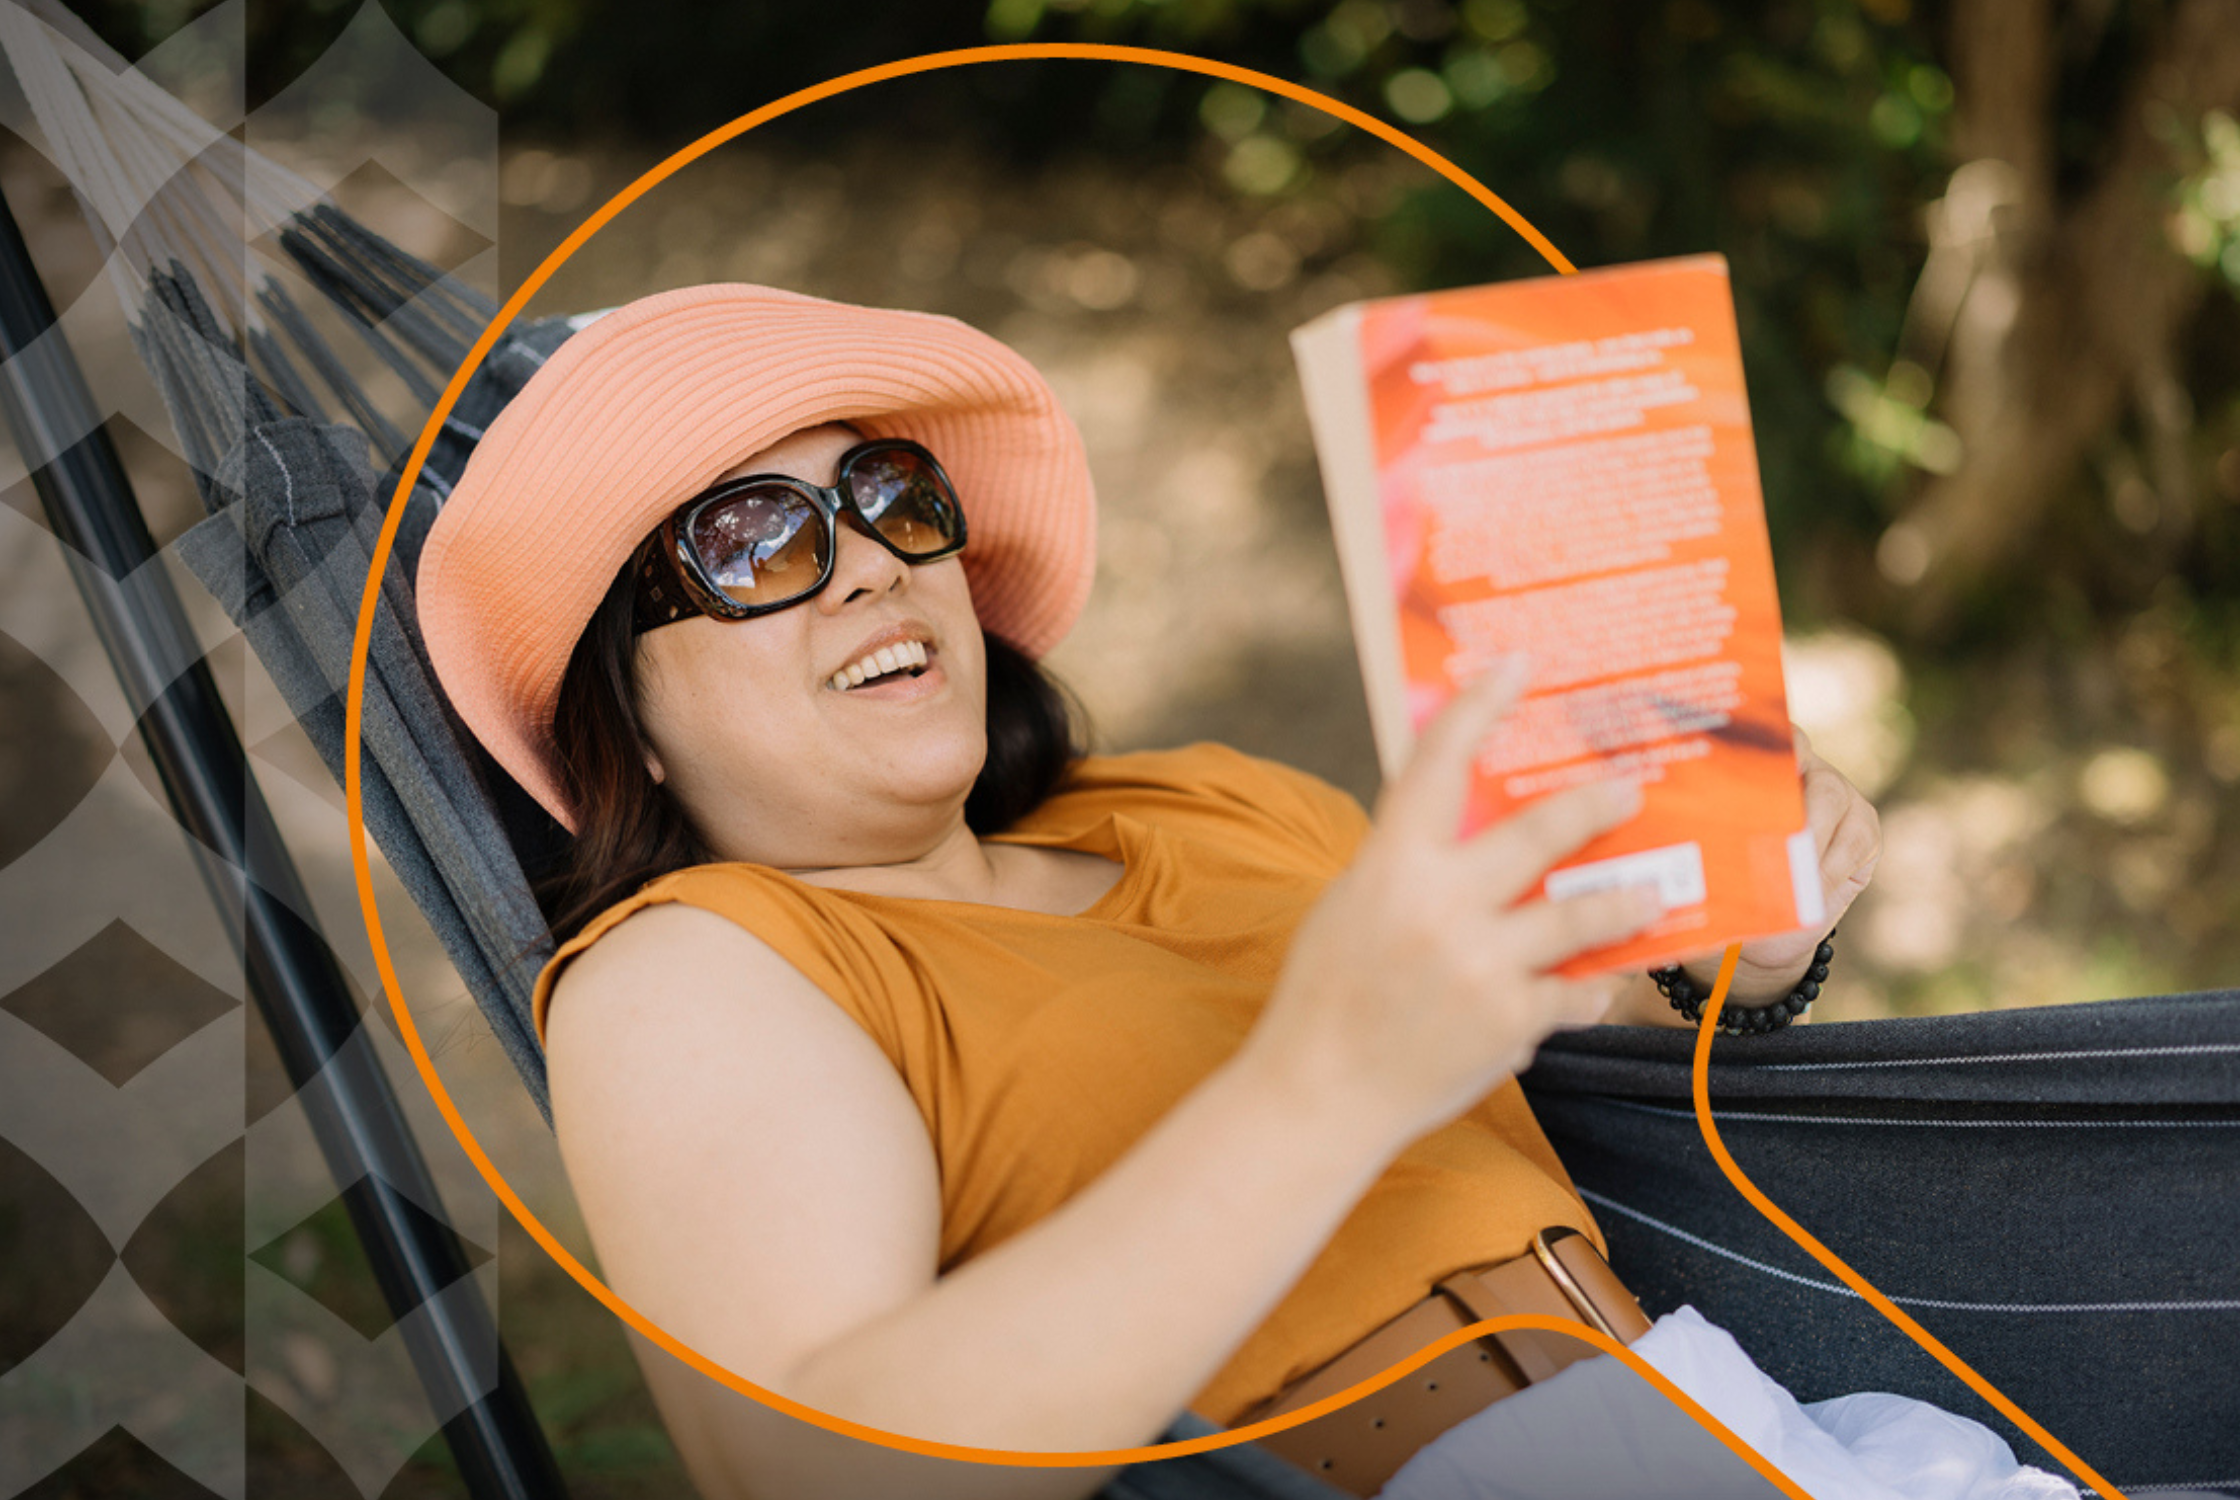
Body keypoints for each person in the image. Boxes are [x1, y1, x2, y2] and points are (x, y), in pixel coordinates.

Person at [415, 283, 2062, 1500]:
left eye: (894, 497)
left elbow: (1557, 1037)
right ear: (617, 692)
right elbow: (826, 1473)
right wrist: (1319, 1081)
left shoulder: (1206, 805)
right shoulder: (700, 973)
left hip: (1756, 1430)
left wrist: (1733, 956)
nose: (869, 561)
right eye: (755, 541)